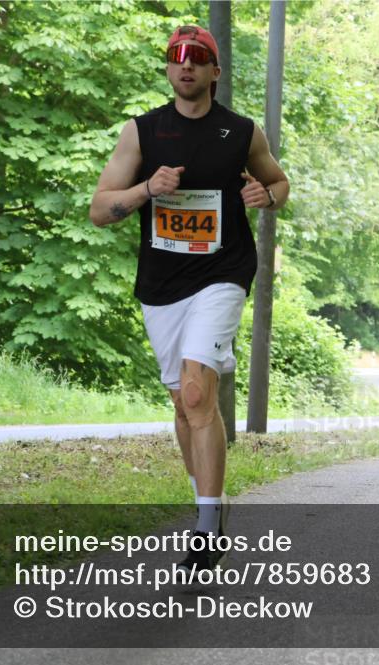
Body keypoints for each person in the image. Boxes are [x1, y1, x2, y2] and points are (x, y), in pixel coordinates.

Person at [88, 24, 289, 572]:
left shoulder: (242, 133)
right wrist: (145, 190)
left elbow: (280, 184)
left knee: (200, 391)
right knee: (183, 401)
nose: (186, 66)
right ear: (168, 69)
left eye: (198, 58)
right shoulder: (142, 133)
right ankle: (210, 498)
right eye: (177, 58)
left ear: (214, 71)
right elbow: (100, 209)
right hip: (162, 284)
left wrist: (264, 194)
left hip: (223, 272)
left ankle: (204, 529)